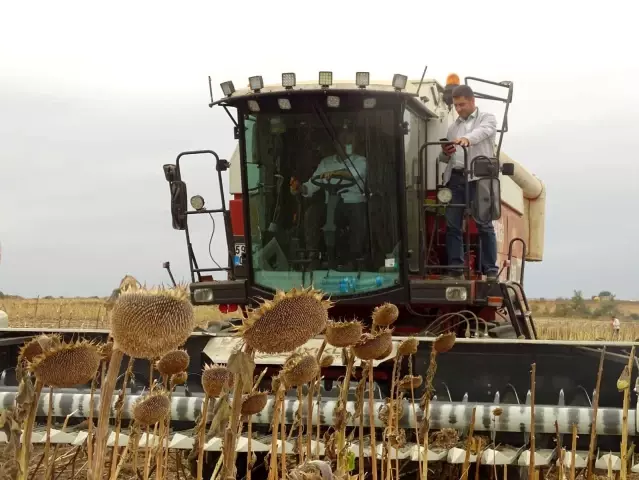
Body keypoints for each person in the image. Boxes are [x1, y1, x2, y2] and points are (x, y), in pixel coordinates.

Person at [438, 84, 499, 280]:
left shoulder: (487, 118)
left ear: (473, 101)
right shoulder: (453, 127)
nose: (458, 109)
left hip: (478, 178)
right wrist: (445, 153)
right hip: (456, 178)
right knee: (452, 225)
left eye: (462, 104)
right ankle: (456, 268)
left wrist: (466, 139)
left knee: (484, 224)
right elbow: (445, 157)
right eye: (456, 105)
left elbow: (482, 132)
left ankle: (490, 270)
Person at [290, 129, 368, 270]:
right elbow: (312, 184)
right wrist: (301, 188)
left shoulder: (361, 161)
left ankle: (353, 258)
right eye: (343, 141)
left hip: (352, 202)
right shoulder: (326, 162)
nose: (346, 144)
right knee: (312, 213)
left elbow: (352, 175)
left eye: (350, 141)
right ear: (336, 144)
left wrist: (334, 174)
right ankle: (313, 257)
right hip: (330, 203)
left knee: (357, 214)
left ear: (355, 144)